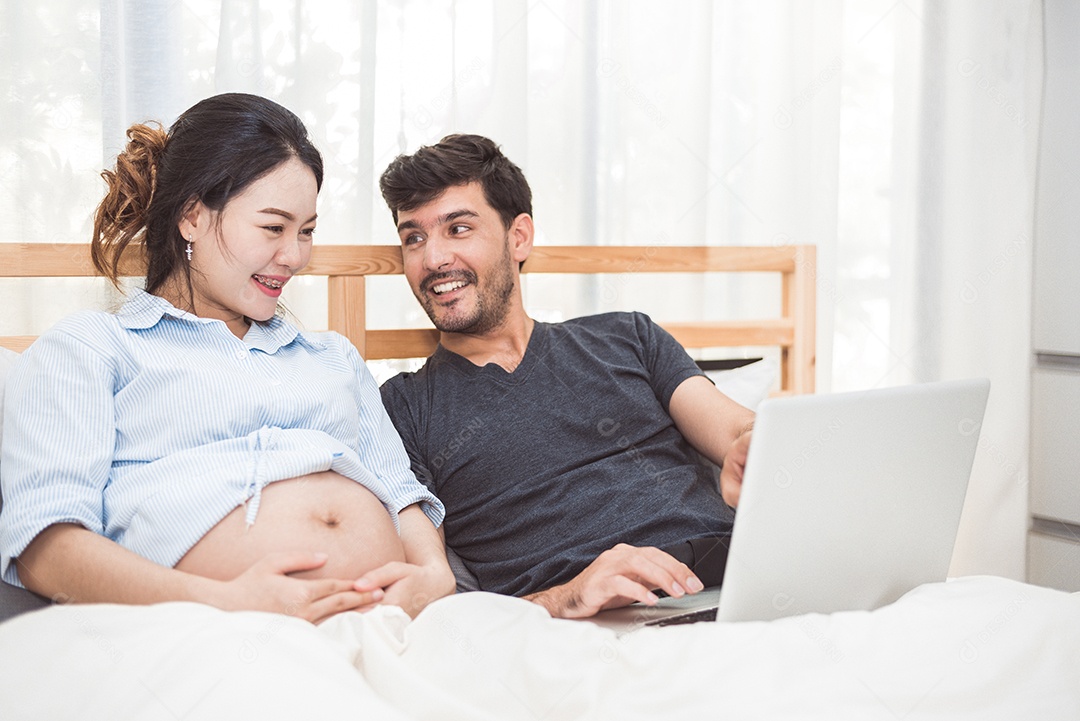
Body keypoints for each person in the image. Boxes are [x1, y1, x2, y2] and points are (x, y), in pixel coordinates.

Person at [0, 93, 455, 624]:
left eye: (306, 231)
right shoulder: (94, 348)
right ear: (192, 216)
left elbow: (401, 494)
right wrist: (226, 603)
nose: (294, 256)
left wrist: (432, 577)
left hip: (384, 621)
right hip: (210, 629)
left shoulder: (332, 356)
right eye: (272, 227)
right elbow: (44, 546)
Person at [377, 134, 754, 619]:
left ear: (519, 237)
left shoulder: (628, 338)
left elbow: (735, 430)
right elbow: (438, 602)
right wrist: (567, 597)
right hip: (591, 624)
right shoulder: (402, 409)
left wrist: (758, 445)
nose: (433, 259)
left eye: (458, 228)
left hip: (738, 580)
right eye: (414, 238)